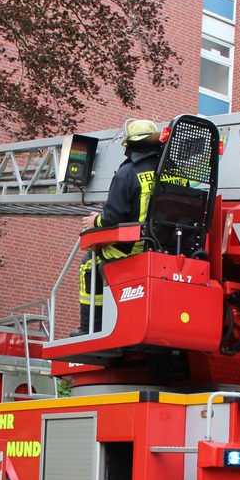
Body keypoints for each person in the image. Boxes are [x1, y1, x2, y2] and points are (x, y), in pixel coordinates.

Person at [74, 118, 164, 336]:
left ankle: (91, 329)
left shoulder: (127, 174)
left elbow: (112, 218)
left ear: (129, 145)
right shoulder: (175, 174)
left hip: (133, 249)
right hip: (165, 249)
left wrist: (95, 220)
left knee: (89, 265)